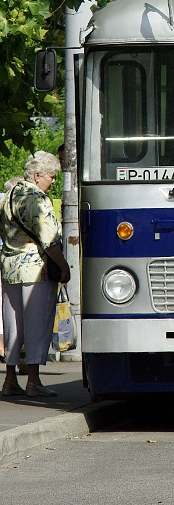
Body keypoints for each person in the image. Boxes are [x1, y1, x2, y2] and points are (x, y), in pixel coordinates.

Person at [0, 151, 70, 397]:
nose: (53, 181)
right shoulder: (38, 200)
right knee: (36, 325)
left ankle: (9, 380)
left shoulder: (9, 195)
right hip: (35, 270)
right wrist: (63, 267)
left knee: (13, 327)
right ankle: (33, 381)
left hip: (9, 269)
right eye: (51, 176)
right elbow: (49, 240)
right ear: (38, 175)